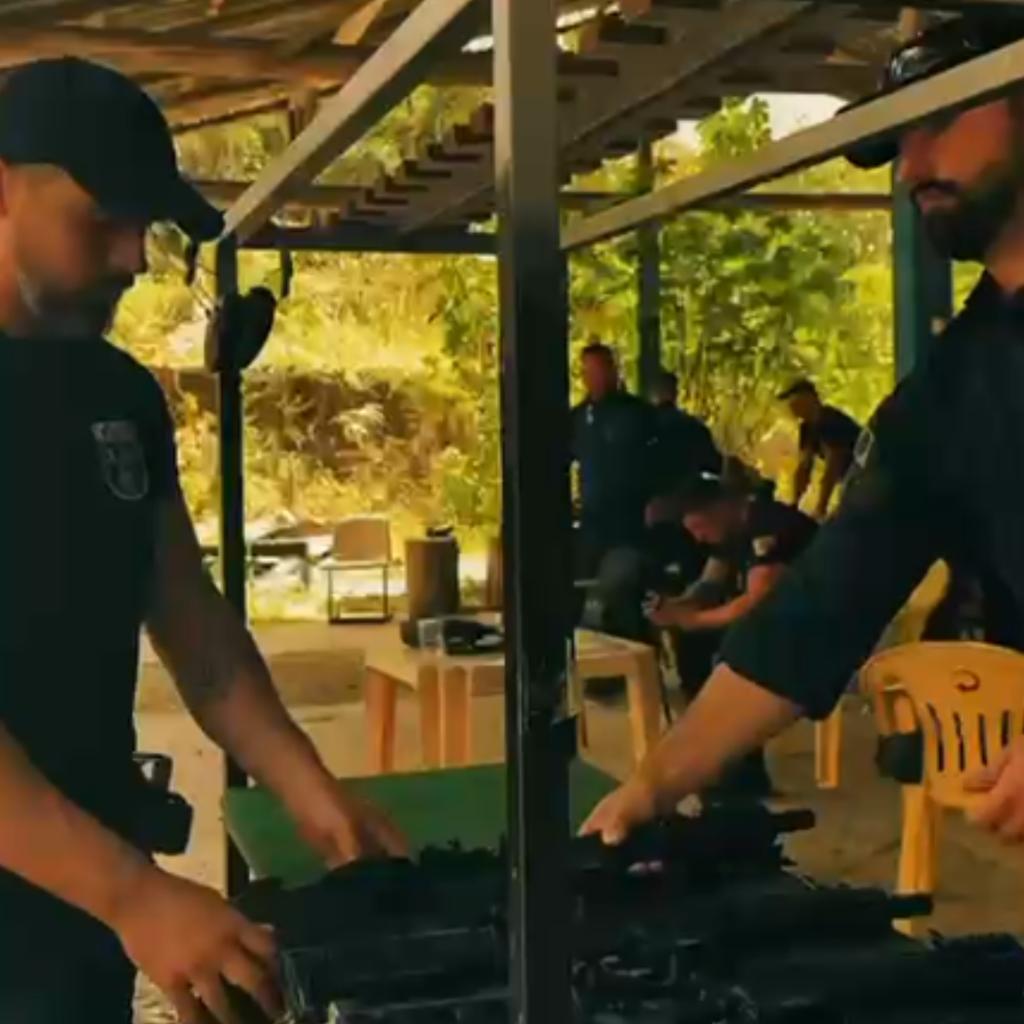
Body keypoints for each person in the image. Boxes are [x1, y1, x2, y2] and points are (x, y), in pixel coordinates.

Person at [0, 58, 406, 1023]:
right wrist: (134, 896)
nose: (134, 258)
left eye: (145, 225)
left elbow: (191, 622)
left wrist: (308, 788)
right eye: (103, 219)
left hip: (78, 903)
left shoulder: (117, 395)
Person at [581, 12, 1024, 848]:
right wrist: (654, 784)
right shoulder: (958, 384)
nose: (911, 168)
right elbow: (821, 606)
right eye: (899, 142)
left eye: (938, 120)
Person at [645, 474, 816, 797]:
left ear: (721, 507)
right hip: (778, 620)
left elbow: (756, 602)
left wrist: (693, 620)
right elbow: (709, 584)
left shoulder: (768, 526)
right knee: (693, 644)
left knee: (737, 652)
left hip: (812, 621)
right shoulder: (731, 530)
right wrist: (676, 607)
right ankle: (713, 753)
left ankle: (743, 773)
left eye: (700, 527)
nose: (699, 538)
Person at [571, 343, 659, 576]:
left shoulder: (638, 413)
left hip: (631, 517)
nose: (593, 377)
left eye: (599, 370)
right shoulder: (578, 418)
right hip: (593, 519)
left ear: (612, 371)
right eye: (588, 371)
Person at [779, 378, 861, 520]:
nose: (790, 405)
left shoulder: (829, 419)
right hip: (851, 481)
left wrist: (821, 506)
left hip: (864, 475)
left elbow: (834, 463)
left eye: (794, 398)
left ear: (809, 397)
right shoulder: (806, 429)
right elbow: (804, 467)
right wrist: (794, 505)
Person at [648, 368, 721, 491]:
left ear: (652, 394)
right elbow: (714, 464)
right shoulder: (692, 426)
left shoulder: (642, 427)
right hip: (687, 493)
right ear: (675, 393)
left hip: (651, 494)